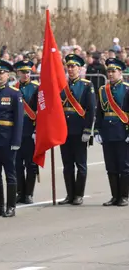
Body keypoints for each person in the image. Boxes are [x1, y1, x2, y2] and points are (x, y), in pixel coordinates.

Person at [0, 60, 24, 218]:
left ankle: (11, 207)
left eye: (2, 73)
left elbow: (19, 120)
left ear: (8, 75)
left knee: (10, 174)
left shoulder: (14, 94)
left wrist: (16, 141)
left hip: (7, 140)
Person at [59, 54, 96, 205]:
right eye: (68, 66)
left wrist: (88, 129)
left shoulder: (87, 85)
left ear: (80, 69)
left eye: (73, 66)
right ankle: (70, 194)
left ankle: (79, 194)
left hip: (80, 130)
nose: (71, 69)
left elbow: (91, 109)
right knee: (67, 165)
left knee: (80, 165)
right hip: (64, 131)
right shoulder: (62, 86)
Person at [94, 58, 129, 207]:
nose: (110, 74)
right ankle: (114, 196)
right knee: (111, 166)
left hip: (122, 131)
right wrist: (97, 130)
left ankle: (124, 196)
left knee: (124, 166)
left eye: (113, 71)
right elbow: (100, 112)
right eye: (108, 71)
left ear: (120, 72)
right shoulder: (103, 90)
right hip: (107, 133)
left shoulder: (127, 88)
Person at [13, 60, 39, 204]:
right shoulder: (13, 89)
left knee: (31, 164)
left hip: (30, 131)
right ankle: (20, 192)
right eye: (23, 72)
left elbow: (41, 111)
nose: (26, 74)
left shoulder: (36, 88)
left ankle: (29, 193)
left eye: (28, 72)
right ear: (18, 73)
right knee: (17, 164)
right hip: (17, 131)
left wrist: (37, 130)